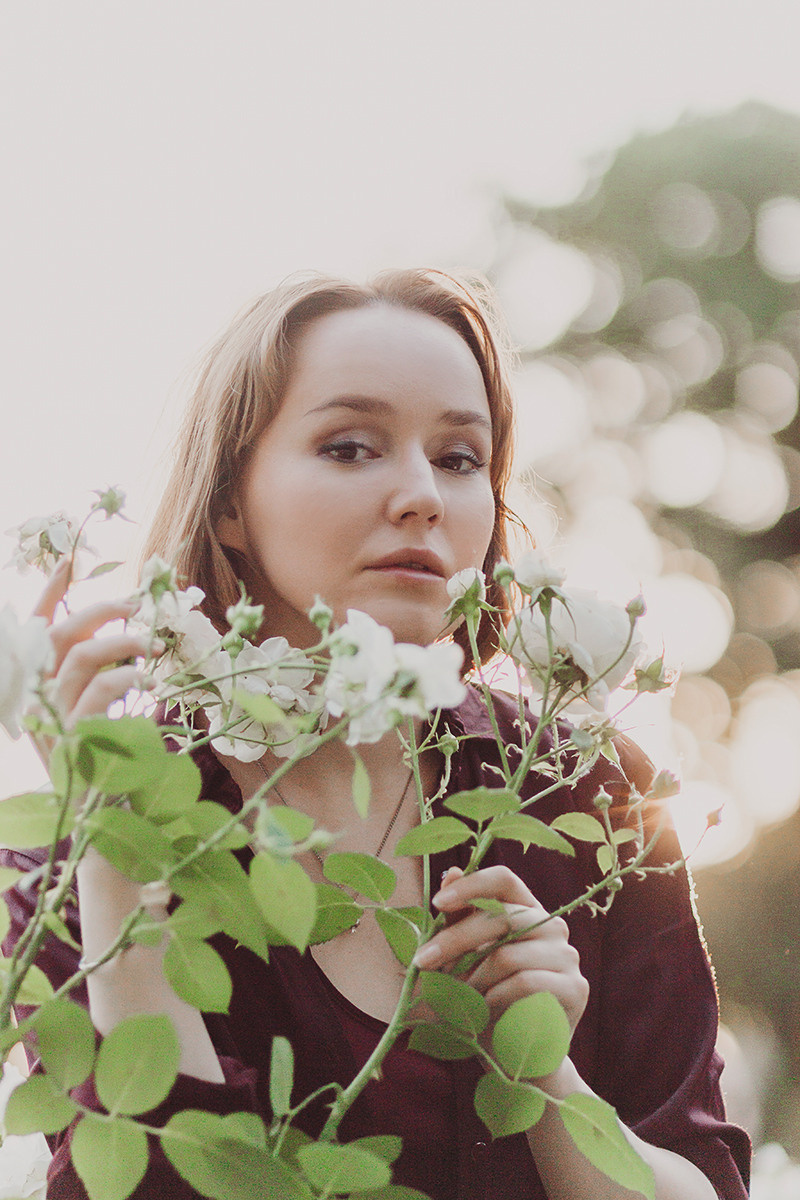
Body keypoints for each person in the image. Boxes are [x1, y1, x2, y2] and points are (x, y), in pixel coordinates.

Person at [2, 270, 750, 1199]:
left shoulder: (586, 793)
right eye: (351, 447)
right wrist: (116, 859)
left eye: (461, 457)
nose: (421, 496)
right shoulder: (96, 829)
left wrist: (544, 1076)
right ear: (231, 502)